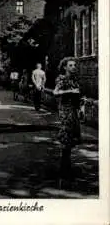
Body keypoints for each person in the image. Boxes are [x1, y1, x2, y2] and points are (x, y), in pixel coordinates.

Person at [54, 57, 81, 188]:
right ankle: (64, 171)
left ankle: (66, 167)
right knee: (66, 138)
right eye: (70, 65)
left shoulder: (74, 80)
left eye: (74, 65)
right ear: (65, 67)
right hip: (65, 111)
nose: (73, 67)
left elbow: (78, 95)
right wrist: (70, 91)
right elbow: (55, 92)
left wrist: (80, 106)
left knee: (71, 139)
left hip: (74, 111)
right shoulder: (62, 79)